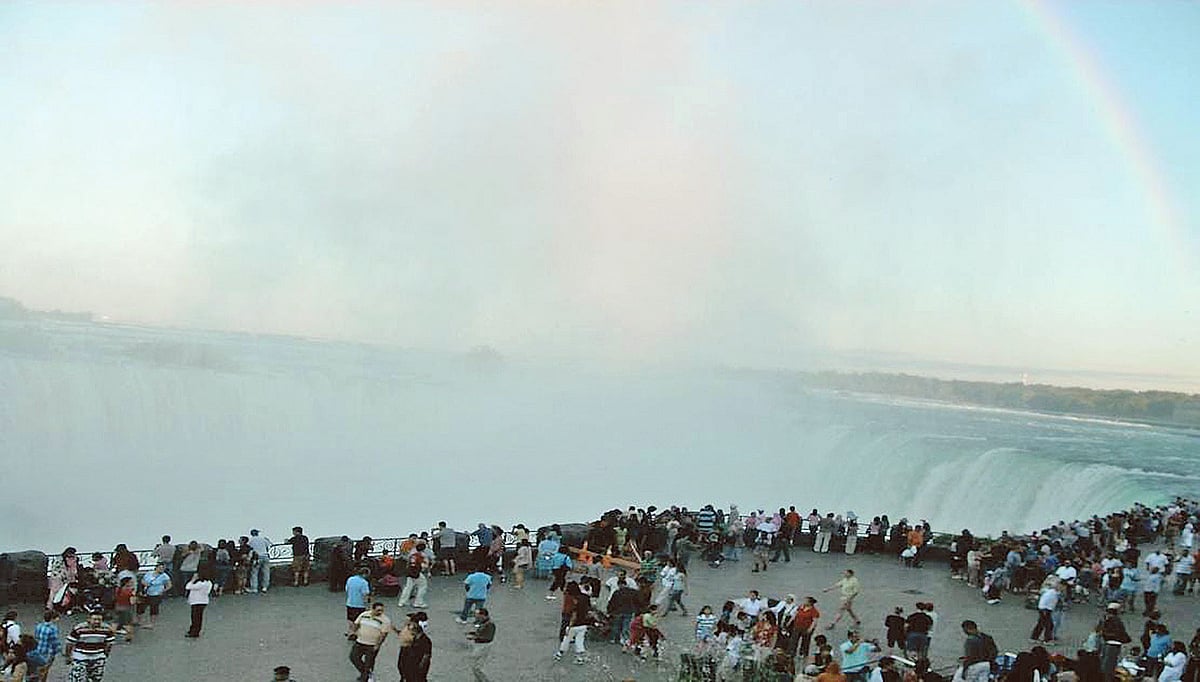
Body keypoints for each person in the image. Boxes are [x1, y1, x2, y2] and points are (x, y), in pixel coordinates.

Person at [64, 608, 115, 682]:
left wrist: (104, 655)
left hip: (98, 657)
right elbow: (70, 643)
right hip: (80, 657)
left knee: (95, 679)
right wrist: (68, 656)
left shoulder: (107, 629)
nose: (97, 622)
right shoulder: (79, 628)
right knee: (77, 679)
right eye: (94, 619)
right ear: (88, 619)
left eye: (99, 620)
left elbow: (109, 644)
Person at [349, 602, 390, 682]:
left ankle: (365, 677)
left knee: (369, 662)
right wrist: (354, 631)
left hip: (372, 644)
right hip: (360, 641)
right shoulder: (364, 615)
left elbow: (383, 634)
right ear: (372, 609)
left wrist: (378, 645)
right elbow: (357, 623)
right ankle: (367, 673)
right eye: (378, 610)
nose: (380, 612)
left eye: (382, 610)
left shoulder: (385, 620)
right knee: (353, 657)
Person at [1099, 603, 1132, 682]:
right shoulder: (1116, 620)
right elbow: (1121, 633)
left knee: (1106, 665)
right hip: (1113, 644)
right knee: (1109, 666)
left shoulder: (1107, 620)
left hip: (1108, 643)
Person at [397, 612, 432, 682]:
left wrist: (419, 670)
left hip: (416, 671)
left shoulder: (424, 640)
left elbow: (426, 657)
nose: (410, 627)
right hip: (409, 669)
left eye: (411, 624)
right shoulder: (412, 638)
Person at [27, 611, 61, 682]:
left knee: (37, 669)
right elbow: (54, 642)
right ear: (52, 618)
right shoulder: (53, 628)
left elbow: (36, 638)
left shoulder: (39, 626)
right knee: (45, 670)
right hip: (48, 652)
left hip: (38, 650)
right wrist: (57, 651)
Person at [137, 563, 172, 629]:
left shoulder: (165, 576)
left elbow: (169, 585)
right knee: (141, 606)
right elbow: (142, 580)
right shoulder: (149, 573)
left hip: (156, 594)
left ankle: (152, 623)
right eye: (160, 568)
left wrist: (163, 590)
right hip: (146, 592)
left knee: (154, 608)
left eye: (163, 568)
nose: (161, 569)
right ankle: (139, 621)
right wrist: (144, 584)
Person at [398, 542, 432, 609]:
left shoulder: (412, 555)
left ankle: (402, 602)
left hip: (409, 572)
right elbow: (424, 566)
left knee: (408, 587)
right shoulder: (422, 556)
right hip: (417, 573)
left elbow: (408, 563)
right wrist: (428, 571)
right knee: (423, 586)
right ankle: (418, 602)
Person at [465, 607, 495, 682]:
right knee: (474, 665)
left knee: (476, 667)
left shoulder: (490, 624)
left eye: (477, 615)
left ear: (483, 615)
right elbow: (482, 632)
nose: (476, 617)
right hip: (479, 645)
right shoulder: (484, 622)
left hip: (483, 646)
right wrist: (472, 633)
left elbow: (488, 637)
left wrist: (474, 637)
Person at [184, 570, 213, 638]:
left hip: (196, 601)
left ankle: (194, 631)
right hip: (203, 601)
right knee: (199, 617)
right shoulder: (209, 583)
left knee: (195, 617)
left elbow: (188, 586)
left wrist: (192, 580)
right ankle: (195, 629)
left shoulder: (200, 584)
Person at [345, 567, 371, 638]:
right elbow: (365, 595)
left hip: (350, 603)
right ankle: (355, 633)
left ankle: (350, 631)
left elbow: (347, 589)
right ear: (365, 574)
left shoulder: (350, 579)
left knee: (350, 619)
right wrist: (367, 606)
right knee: (358, 620)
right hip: (360, 605)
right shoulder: (364, 582)